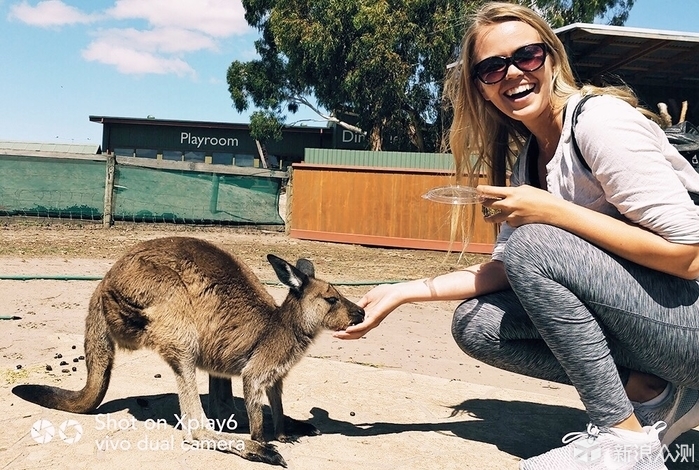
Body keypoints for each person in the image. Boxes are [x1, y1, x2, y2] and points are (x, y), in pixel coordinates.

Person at [333, 2, 699, 469]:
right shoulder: (531, 156)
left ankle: (623, 441)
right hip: (659, 328)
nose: (512, 73)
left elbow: (691, 257)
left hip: (689, 320)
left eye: (526, 55)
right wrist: (403, 293)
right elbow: (510, 269)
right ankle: (656, 394)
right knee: (477, 323)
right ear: (480, 88)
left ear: (551, 59)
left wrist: (554, 212)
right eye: (492, 66)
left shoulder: (599, 121)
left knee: (534, 241)